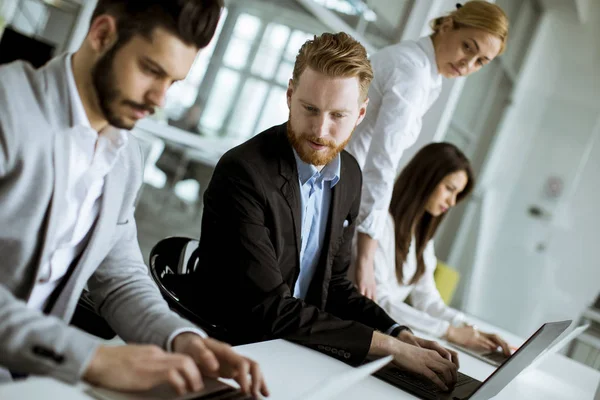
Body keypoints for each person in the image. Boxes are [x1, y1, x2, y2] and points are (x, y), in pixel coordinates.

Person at [0, 1, 268, 397]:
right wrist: (92, 358)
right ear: (102, 35)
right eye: (151, 70)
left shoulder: (125, 157)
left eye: (174, 82)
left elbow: (119, 278)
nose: (159, 99)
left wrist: (182, 340)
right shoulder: (8, 108)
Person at [180, 32, 460, 391]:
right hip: (233, 350)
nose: (320, 130)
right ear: (290, 96)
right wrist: (387, 347)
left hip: (299, 350)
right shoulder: (244, 173)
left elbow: (337, 286)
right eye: (309, 109)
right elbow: (270, 309)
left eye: (338, 115)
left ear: (360, 114)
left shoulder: (350, 177)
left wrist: (399, 333)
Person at [349, 0, 509, 300]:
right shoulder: (411, 71)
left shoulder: (427, 74)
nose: (467, 64)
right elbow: (382, 164)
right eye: (467, 47)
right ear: (448, 25)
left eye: (480, 61)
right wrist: (366, 257)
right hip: (335, 186)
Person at [373, 142, 511, 355]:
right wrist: (449, 332)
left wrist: (468, 329)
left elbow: (426, 298)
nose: (452, 201)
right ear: (425, 178)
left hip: (387, 335)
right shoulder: (380, 224)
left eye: (457, 194)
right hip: (372, 334)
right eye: (449, 189)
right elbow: (380, 302)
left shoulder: (420, 235)